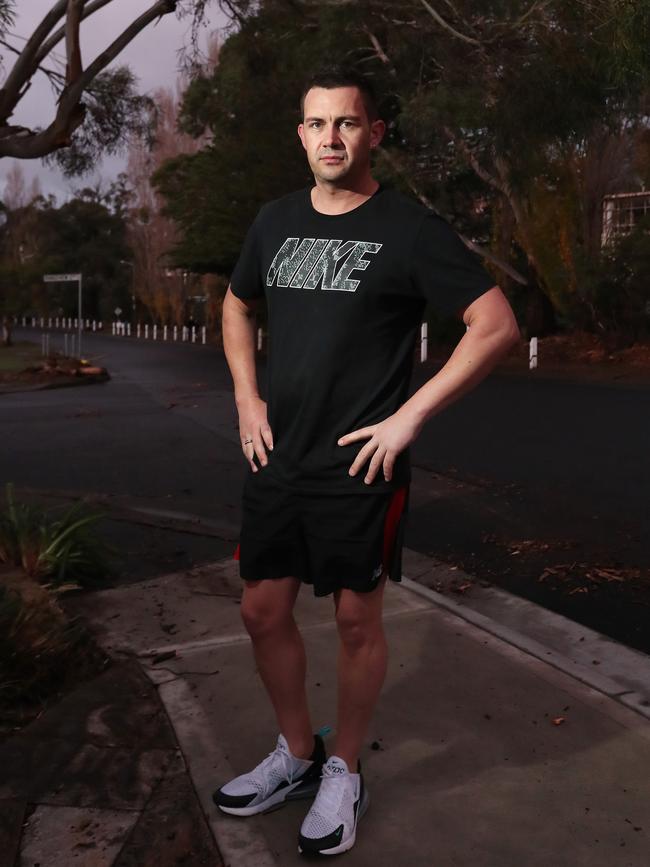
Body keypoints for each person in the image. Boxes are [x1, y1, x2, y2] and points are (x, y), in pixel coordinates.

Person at [213, 67, 520, 856]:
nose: (330, 138)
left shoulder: (409, 229)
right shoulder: (274, 222)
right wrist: (247, 398)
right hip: (277, 453)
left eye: (346, 124)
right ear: (301, 135)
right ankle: (297, 752)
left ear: (374, 133)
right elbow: (237, 303)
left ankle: (345, 766)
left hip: (359, 464)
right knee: (260, 610)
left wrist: (409, 416)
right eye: (316, 125)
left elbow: (494, 325)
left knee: (356, 620)